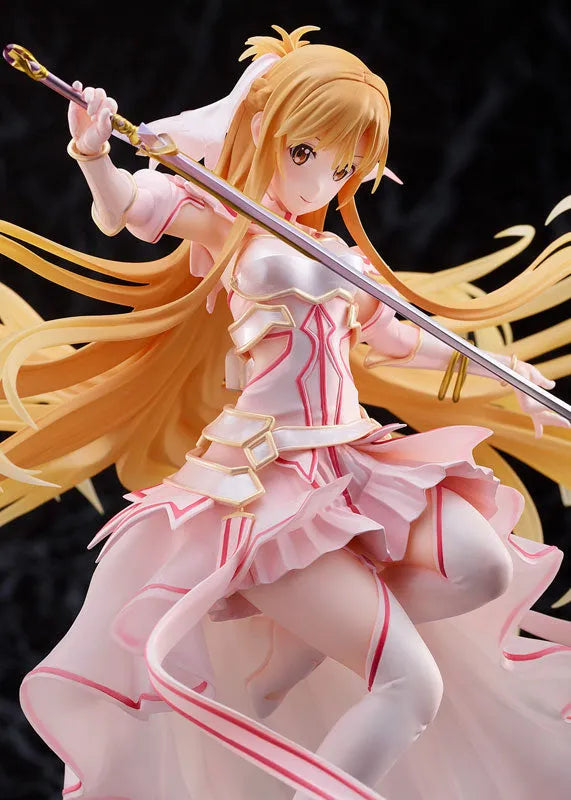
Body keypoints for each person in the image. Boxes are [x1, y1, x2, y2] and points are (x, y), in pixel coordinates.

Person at [1, 24, 570, 800]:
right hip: (270, 479)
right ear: (265, 132)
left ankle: (297, 651)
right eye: (305, 153)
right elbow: (129, 206)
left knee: (483, 567)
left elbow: (401, 342)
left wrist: (508, 378)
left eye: (342, 168)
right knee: (410, 686)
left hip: (356, 459)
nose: (319, 181)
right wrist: (94, 153)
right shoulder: (228, 224)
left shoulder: (344, 260)